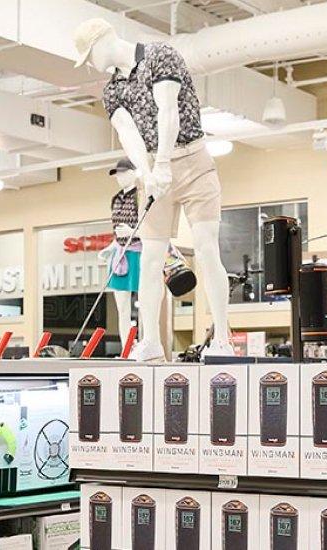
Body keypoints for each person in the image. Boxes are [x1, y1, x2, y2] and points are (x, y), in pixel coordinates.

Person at [72, 19, 234, 361]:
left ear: (101, 41)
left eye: (89, 55)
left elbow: (167, 109)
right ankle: (151, 342)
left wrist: (162, 162)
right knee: (150, 257)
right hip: (153, 171)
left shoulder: (161, 55)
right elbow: (127, 133)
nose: (90, 64)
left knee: (206, 248)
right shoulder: (112, 90)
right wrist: (147, 172)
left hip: (194, 161)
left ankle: (223, 337)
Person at [99, 158, 142, 349]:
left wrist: (133, 232)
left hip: (139, 252)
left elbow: (152, 228)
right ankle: (126, 346)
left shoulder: (141, 196)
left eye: (123, 173)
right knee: (122, 306)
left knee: (145, 304)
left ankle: (144, 343)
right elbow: (116, 230)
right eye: (118, 174)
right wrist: (110, 247)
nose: (120, 177)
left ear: (133, 173)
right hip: (119, 253)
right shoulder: (115, 199)